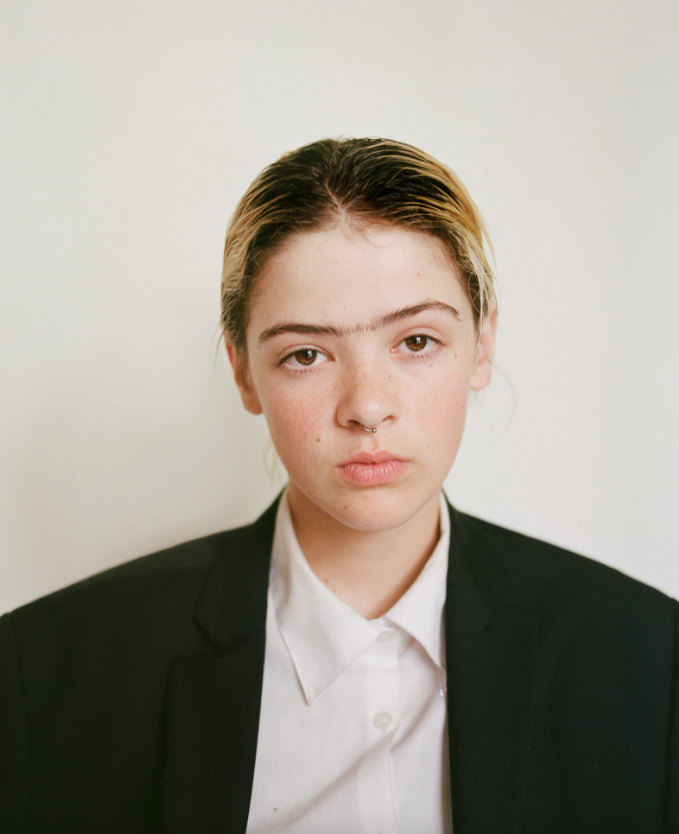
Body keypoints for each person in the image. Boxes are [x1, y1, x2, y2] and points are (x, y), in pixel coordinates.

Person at [0, 137, 677, 834]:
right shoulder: (46, 671)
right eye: (306, 354)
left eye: (415, 341)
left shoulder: (648, 661)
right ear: (241, 371)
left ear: (482, 341)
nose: (366, 406)